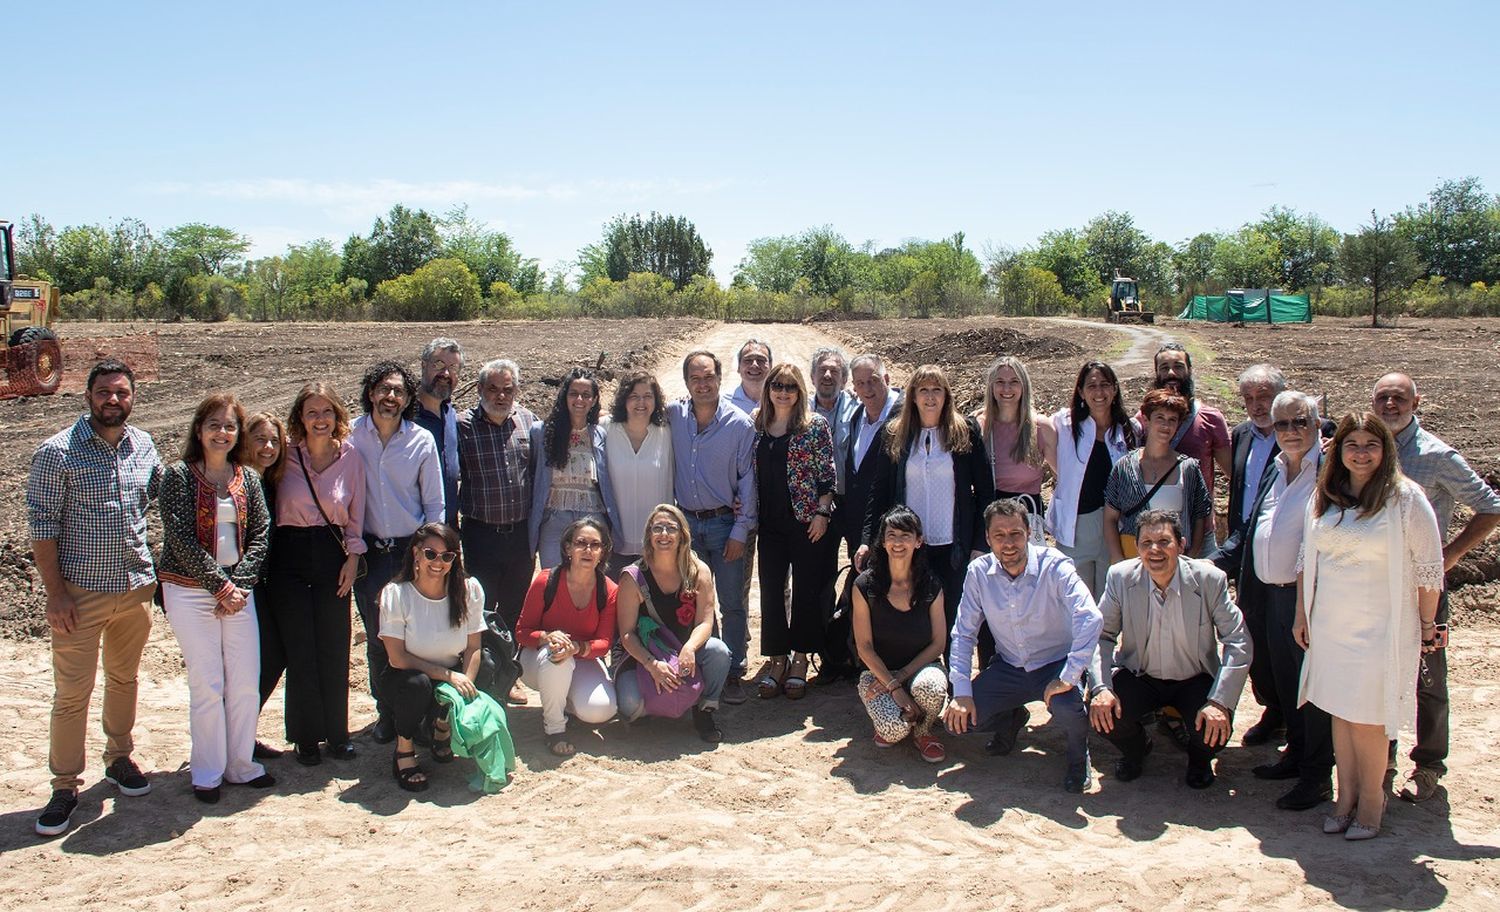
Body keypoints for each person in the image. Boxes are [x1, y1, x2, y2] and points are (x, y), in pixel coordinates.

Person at [28, 359, 163, 837]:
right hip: (79, 595)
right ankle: (64, 785)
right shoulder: (58, 453)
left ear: (132, 397)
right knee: (72, 695)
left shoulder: (144, 445)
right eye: (104, 392)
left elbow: (161, 502)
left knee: (124, 679)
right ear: (88, 397)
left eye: (122, 393)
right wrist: (56, 595)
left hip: (134, 590)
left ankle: (119, 757)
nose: (113, 400)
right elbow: (42, 528)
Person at [1294, 413, 1444, 840]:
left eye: (1370, 445)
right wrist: (1302, 615)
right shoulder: (1326, 495)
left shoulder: (1405, 499)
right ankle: (1345, 799)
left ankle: (1373, 806)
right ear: (1338, 450)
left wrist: (1428, 624)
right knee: (1340, 713)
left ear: (1385, 450)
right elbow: (1308, 558)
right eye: (1352, 444)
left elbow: (1429, 570)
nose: (1361, 453)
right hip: (1331, 624)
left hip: (1380, 626)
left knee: (1369, 718)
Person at [1373, 372, 1500, 802]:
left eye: (1399, 397)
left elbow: (1490, 507)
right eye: (1382, 397)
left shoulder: (1437, 456)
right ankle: (1382, 760)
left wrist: (1451, 555)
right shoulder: (1367, 450)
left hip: (1422, 589)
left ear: (1416, 401)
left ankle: (1427, 766)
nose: (1390, 404)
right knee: (1380, 675)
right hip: (1375, 588)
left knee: (1428, 678)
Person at [1214, 391, 1334, 811]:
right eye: (1282, 425)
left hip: (1311, 603)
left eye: (1300, 422)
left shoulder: (1329, 471)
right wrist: (1208, 566)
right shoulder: (1277, 468)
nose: (1290, 431)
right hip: (1270, 597)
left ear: (1318, 425)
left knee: (1314, 690)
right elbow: (1249, 531)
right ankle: (1297, 755)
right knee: (1289, 686)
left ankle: (1318, 775)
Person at [158, 393, 275, 802]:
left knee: (244, 681)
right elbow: (181, 539)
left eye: (229, 426)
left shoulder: (249, 479)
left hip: (239, 594)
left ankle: (241, 764)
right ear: (198, 430)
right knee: (208, 683)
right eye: (214, 425)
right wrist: (219, 586)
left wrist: (239, 584)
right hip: (189, 592)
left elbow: (262, 534)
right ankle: (207, 771)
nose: (222, 433)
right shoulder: (177, 477)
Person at [943, 500, 1101, 793]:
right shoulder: (979, 572)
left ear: (1029, 532)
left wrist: (1068, 676)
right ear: (988, 539)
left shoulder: (1055, 566)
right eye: (999, 536)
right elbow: (964, 634)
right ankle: (1012, 716)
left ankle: (1079, 757)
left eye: (1015, 533)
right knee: (960, 722)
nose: (1008, 543)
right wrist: (962, 692)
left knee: (1069, 710)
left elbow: (1090, 616)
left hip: (1055, 665)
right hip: (1010, 667)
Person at [1088, 510, 1250, 789]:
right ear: (1137, 548)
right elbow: (1101, 635)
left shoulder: (1209, 579)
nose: (1154, 550)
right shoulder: (1121, 577)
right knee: (1104, 714)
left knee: (1214, 728)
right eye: (1146, 543)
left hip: (1194, 677)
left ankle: (1199, 760)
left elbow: (1238, 640)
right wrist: (1101, 687)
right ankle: (1137, 749)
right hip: (1142, 674)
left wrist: (1220, 701)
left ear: (1182, 544)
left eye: (1164, 541)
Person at [860, 365, 994, 654]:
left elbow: (985, 493)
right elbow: (879, 493)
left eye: (937, 390)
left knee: (952, 614)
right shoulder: (895, 433)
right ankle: (919, 677)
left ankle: (953, 680)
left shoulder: (965, 432)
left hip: (952, 545)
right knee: (914, 613)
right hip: (909, 547)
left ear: (946, 396)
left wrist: (979, 544)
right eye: (923, 390)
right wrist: (866, 541)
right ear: (913, 397)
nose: (930, 397)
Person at [271, 381, 366, 766]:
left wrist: (353, 559)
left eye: (327, 412)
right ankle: (306, 737)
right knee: (301, 649)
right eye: (312, 412)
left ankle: (338, 735)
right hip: (288, 555)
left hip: (333, 555)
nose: (320, 420)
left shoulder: (352, 457)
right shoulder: (284, 457)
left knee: (334, 645)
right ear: (299, 418)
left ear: (338, 416)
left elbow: (357, 514)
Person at [350, 361, 445, 744]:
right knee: (378, 638)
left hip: (411, 553)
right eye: (384, 389)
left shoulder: (421, 441)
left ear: (407, 400)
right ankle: (386, 712)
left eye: (399, 392)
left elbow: (435, 503)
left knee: (418, 636)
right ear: (371, 392)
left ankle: (419, 712)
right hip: (370, 553)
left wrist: (434, 554)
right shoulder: (352, 437)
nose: (391, 397)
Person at [667, 351, 756, 704]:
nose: (702, 384)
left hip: (724, 522)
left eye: (708, 377)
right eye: (695, 378)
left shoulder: (739, 424)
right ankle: (712, 665)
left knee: (732, 600)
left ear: (720, 378)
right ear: (687, 382)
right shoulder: (674, 416)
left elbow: (748, 480)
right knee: (698, 600)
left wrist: (740, 529)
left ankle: (734, 670)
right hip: (686, 524)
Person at [378, 523, 489, 791]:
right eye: (430, 554)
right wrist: (448, 677)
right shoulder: (397, 594)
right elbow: (397, 657)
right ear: (416, 553)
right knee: (417, 685)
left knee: (486, 667)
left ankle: (442, 729)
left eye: (446, 556)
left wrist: (463, 688)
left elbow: (474, 647)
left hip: (449, 673)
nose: (438, 562)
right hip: (407, 677)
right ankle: (404, 750)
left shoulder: (468, 590)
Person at [750, 364, 837, 700]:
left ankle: (800, 658)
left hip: (805, 522)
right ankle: (777, 659)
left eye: (790, 386)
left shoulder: (814, 426)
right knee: (771, 590)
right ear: (768, 388)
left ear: (800, 391)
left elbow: (827, 474)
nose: (783, 392)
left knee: (805, 590)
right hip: (769, 523)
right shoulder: (756, 424)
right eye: (777, 385)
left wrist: (821, 512)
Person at [615, 505, 732, 742]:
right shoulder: (633, 577)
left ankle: (704, 709)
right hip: (644, 656)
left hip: (684, 650)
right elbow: (627, 634)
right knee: (629, 705)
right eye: (657, 528)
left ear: (682, 535)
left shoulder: (699, 571)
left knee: (719, 652)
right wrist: (652, 665)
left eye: (671, 528)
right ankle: (658, 705)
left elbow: (705, 622)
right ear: (649, 535)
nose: (664, 534)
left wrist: (689, 648)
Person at [457, 358, 538, 697]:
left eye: (508, 389)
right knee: (482, 607)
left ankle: (510, 672)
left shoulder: (529, 422)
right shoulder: (462, 427)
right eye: (493, 388)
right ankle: (484, 672)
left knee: (515, 606)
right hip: (480, 534)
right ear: (479, 389)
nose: (501, 396)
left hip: (520, 535)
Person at [1219, 364, 1288, 747]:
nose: (1256, 405)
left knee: (1287, 640)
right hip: (1246, 550)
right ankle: (1273, 709)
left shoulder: (1308, 433)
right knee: (1253, 632)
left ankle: (1297, 719)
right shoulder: (1242, 435)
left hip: (1285, 554)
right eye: (1248, 398)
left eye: (1263, 397)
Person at [852, 507, 948, 763]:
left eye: (905, 535)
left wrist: (902, 678)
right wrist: (893, 686)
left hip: (921, 669)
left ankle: (923, 730)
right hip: (877, 674)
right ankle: (900, 720)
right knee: (893, 731)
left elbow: (939, 643)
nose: (897, 542)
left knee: (930, 687)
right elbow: (864, 647)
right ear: (882, 542)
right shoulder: (865, 585)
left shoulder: (931, 585)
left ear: (918, 541)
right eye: (891, 535)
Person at [516, 518, 619, 756]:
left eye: (595, 545)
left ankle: (563, 703)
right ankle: (554, 729)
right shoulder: (546, 580)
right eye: (581, 543)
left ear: (603, 552)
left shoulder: (609, 590)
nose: (588, 550)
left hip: (581, 658)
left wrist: (576, 647)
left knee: (600, 710)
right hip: (538, 660)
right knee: (558, 656)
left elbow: (603, 644)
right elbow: (522, 632)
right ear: (568, 548)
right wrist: (548, 637)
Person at [1049, 361, 1136, 598]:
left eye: (1105, 385)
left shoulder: (1129, 430)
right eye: (1092, 386)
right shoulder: (1064, 424)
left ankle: (1105, 638)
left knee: (1109, 600)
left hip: (1114, 528)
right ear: (1080, 391)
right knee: (1077, 601)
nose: (1099, 392)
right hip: (1077, 528)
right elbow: (1033, 421)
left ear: (1115, 389)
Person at [1105, 389, 1210, 563]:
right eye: (1160, 418)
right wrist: (1117, 558)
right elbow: (1110, 518)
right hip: (1132, 559)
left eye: (1172, 420)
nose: (1165, 426)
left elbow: (1199, 517)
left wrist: (1189, 559)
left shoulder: (1189, 468)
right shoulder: (1124, 467)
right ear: (1146, 420)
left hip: (1173, 561)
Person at [529, 367, 619, 571]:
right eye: (574, 393)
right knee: (553, 581)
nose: (580, 399)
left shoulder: (600, 435)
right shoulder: (542, 433)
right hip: (554, 519)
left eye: (586, 395)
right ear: (564, 396)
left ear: (594, 400)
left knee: (590, 583)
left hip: (592, 519)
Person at [1146, 343, 1232, 555]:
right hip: (1153, 535)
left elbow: (1233, 473)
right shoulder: (1144, 420)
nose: (1171, 373)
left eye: (1178, 366)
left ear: (1190, 370)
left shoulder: (1211, 419)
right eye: (1164, 367)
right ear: (1156, 373)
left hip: (1200, 533)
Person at [245, 411, 288, 760]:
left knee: (271, 658)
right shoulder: (237, 482)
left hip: (266, 584)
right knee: (256, 660)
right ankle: (234, 736)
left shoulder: (271, 482)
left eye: (274, 440)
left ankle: (243, 731)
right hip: (241, 588)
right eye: (260, 439)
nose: (268, 447)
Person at [602, 371, 673, 577]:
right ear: (624, 399)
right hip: (615, 541)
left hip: (657, 542)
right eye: (634, 396)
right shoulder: (606, 429)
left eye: (648, 396)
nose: (641, 402)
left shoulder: (666, 432)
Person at [977, 356, 1056, 522]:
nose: (1007, 388)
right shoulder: (980, 427)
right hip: (988, 518)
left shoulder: (1041, 427)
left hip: (1028, 516)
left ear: (1024, 386)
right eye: (1000, 382)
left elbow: (1065, 477)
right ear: (991, 386)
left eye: (1014, 381)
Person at [838, 354, 901, 559]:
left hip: (894, 531)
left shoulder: (906, 416)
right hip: (860, 530)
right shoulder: (858, 418)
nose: (867, 389)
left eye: (873, 380)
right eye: (860, 383)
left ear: (887, 379)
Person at [414, 338, 464, 527]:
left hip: (448, 526)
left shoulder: (450, 414)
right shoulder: (404, 417)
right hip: (414, 530)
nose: (445, 373)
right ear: (423, 366)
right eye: (439, 364)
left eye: (453, 368)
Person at [809, 346, 855, 495]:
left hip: (848, 498)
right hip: (811, 500)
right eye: (822, 370)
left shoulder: (859, 408)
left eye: (834, 371)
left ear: (844, 380)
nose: (827, 375)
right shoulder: (801, 409)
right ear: (812, 377)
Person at [727, 338, 773, 415]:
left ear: (771, 366)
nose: (754, 364)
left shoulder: (782, 401)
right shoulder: (723, 403)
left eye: (761, 360)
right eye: (748, 360)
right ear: (738, 367)